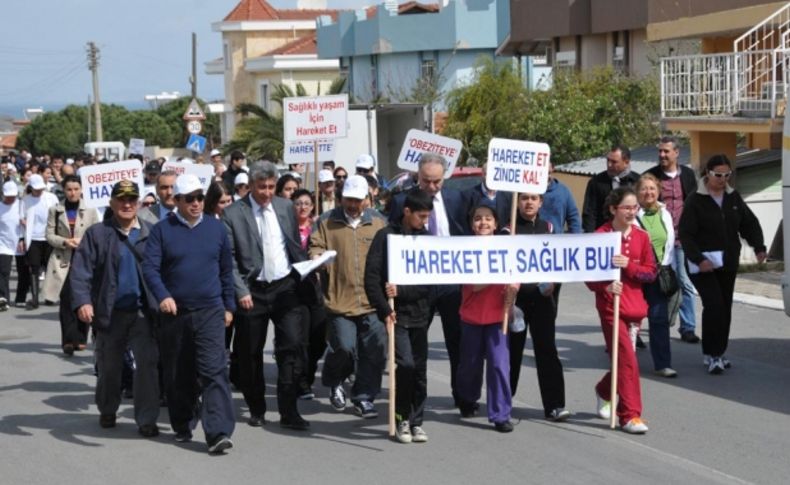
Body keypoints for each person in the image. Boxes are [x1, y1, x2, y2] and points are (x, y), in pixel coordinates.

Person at [143, 174, 236, 453]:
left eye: (200, 197)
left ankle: (218, 431)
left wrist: (229, 305)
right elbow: (150, 268)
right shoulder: (162, 230)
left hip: (210, 310)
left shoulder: (216, 229)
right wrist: (163, 296)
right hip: (176, 314)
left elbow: (226, 271)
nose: (196, 203)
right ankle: (183, 421)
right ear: (177, 201)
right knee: (179, 373)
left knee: (214, 371)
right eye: (190, 199)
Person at [222, 163, 311, 430]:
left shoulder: (285, 207)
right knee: (249, 352)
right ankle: (256, 407)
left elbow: (294, 245)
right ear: (250, 185)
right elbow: (230, 260)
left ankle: (288, 410)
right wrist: (241, 291)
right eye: (262, 187)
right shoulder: (233, 214)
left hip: (285, 287)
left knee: (292, 346)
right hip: (253, 291)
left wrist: (307, 268)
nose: (267, 192)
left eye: (272, 187)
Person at [68, 180, 160, 437]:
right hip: (110, 313)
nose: (127, 204)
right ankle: (107, 408)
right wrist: (83, 302)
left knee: (147, 365)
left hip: (143, 313)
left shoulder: (151, 233)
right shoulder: (97, 234)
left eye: (132, 199)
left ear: (139, 203)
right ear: (112, 203)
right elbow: (81, 272)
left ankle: (146, 419)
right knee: (110, 366)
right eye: (121, 199)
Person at [388, 154, 470, 407]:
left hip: (451, 282)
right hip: (417, 284)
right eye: (426, 181)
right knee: (416, 345)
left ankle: (463, 397)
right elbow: (392, 240)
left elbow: (469, 233)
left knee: (458, 342)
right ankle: (412, 400)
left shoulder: (458, 198)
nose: (432, 187)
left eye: (437, 181)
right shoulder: (402, 201)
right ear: (417, 176)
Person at [678, 155, 765, 374]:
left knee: (725, 308)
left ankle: (718, 352)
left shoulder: (732, 197)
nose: (723, 179)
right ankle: (713, 355)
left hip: (727, 262)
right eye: (718, 175)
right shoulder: (694, 200)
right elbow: (686, 235)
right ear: (708, 173)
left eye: (727, 175)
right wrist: (699, 259)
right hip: (703, 265)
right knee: (714, 305)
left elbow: (749, 222)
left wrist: (759, 247)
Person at [309, 175, 387, 418]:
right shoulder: (326, 221)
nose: (352, 205)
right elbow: (315, 246)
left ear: (367, 199)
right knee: (343, 347)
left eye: (357, 200)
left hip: (372, 301)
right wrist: (316, 258)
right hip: (339, 300)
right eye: (348, 199)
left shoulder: (378, 222)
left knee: (375, 350)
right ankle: (334, 381)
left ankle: (364, 397)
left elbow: (390, 253)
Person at [365, 189, 434, 443]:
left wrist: (402, 289)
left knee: (420, 371)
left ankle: (417, 421)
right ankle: (401, 417)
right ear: (407, 212)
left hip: (420, 314)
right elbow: (371, 277)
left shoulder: (426, 240)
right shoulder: (386, 237)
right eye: (421, 216)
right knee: (405, 366)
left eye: (427, 217)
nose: (424, 222)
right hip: (396, 315)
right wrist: (384, 308)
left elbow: (430, 281)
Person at [586, 187, 656, 434]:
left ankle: (604, 390)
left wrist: (630, 268)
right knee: (627, 360)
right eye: (626, 207)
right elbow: (588, 276)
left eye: (634, 207)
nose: (631, 211)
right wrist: (605, 285)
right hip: (610, 305)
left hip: (634, 307)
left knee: (624, 361)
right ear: (613, 209)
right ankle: (630, 414)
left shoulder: (642, 237)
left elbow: (651, 272)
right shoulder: (600, 235)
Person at [456, 201, 519, 432]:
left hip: (497, 317)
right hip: (471, 317)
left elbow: (516, 276)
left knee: (499, 365)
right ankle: (468, 397)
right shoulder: (464, 249)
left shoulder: (508, 247)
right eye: (478, 219)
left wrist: (513, 287)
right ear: (472, 225)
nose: (483, 222)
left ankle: (501, 414)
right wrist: (498, 269)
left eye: (488, 219)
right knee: (470, 366)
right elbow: (474, 285)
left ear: (496, 224)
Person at [509, 193, 570, 421]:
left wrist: (554, 283)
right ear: (518, 202)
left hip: (543, 300)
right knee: (512, 352)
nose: (529, 202)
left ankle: (555, 404)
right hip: (516, 302)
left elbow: (558, 261)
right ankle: (505, 400)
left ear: (541, 202)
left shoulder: (549, 228)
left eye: (534, 198)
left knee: (547, 350)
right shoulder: (509, 230)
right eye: (524, 198)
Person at [646, 136, 701, 343]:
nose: (662, 155)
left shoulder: (687, 175)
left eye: (666, 151)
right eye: (660, 151)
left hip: (684, 239)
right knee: (663, 283)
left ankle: (687, 327)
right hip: (660, 241)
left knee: (685, 282)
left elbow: (694, 203)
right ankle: (658, 319)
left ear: (676, 153)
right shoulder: (651, 176)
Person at [43, 175, 99, 354]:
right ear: (64, 190)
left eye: (76, 189)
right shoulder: (56, 210)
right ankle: (68, 340)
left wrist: (84, 241)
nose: (73, 193)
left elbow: (97, 233)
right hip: (63, 259)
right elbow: (49, 235)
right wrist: (66, 242)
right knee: (66, 298)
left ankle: (81, 337)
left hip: (85, 258)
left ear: (81, 190)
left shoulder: (90, 209)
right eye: (69, 189)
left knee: (84, 297)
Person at [635, 174, 679, 377]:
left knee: (658, 318)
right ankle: (625, 362)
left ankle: (663, 364)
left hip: (658, 274)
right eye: (644, 189)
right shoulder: (632, 215)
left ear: (658, 191)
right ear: (637, 193)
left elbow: (669, 244)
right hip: (636, 275)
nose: (648, 192)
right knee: (632, 318)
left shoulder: (665, 213)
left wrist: (667, 267)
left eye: (652, 188)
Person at [291, 188, 326, 399]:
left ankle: (309, 371)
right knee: (301, 338)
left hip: (315, 287)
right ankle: (302, 382)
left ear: (312, 206)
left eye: (306, 203)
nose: (302, 207)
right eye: (298, 203)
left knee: (318, 338)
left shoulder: (318, 227)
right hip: (294, 288)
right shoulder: (287, 228)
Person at [582, 145, 640, 233]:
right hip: (604, 235)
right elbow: (589, 213)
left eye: (614, 162)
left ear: (626, 162)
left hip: (631, 233)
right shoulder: (596, 182)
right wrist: (591, 237)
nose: (609, 165)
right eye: (608, 160)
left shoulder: (637, 181)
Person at [21, 174, 59, 309]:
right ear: (31, 187)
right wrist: (22, 237)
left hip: (49, 237)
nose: (39, 191)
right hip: (33, 238)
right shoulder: (26, 200)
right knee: (34, 268)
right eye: (36, 189)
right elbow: (22, 219)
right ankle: (35, 298)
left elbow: (58, 215)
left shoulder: (51, 197)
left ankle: (50, 296)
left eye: (40, 188)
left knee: (50, 268)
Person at [540, 162, 582, 235]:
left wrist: (576, 240)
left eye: (548, 173)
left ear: (552, 168)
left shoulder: (563, 191)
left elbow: (573, 219)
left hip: (556, 241)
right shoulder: (525, 191)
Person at [0, 181, 22, 312]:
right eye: (8, 196)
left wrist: (23, 238)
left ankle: (21, 298)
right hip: (3, 244)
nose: (11, 198)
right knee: (3, 272)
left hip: (20, 242)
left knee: (23, 273)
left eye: (13, 196)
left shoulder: (21, 205)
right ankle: (3, 298)